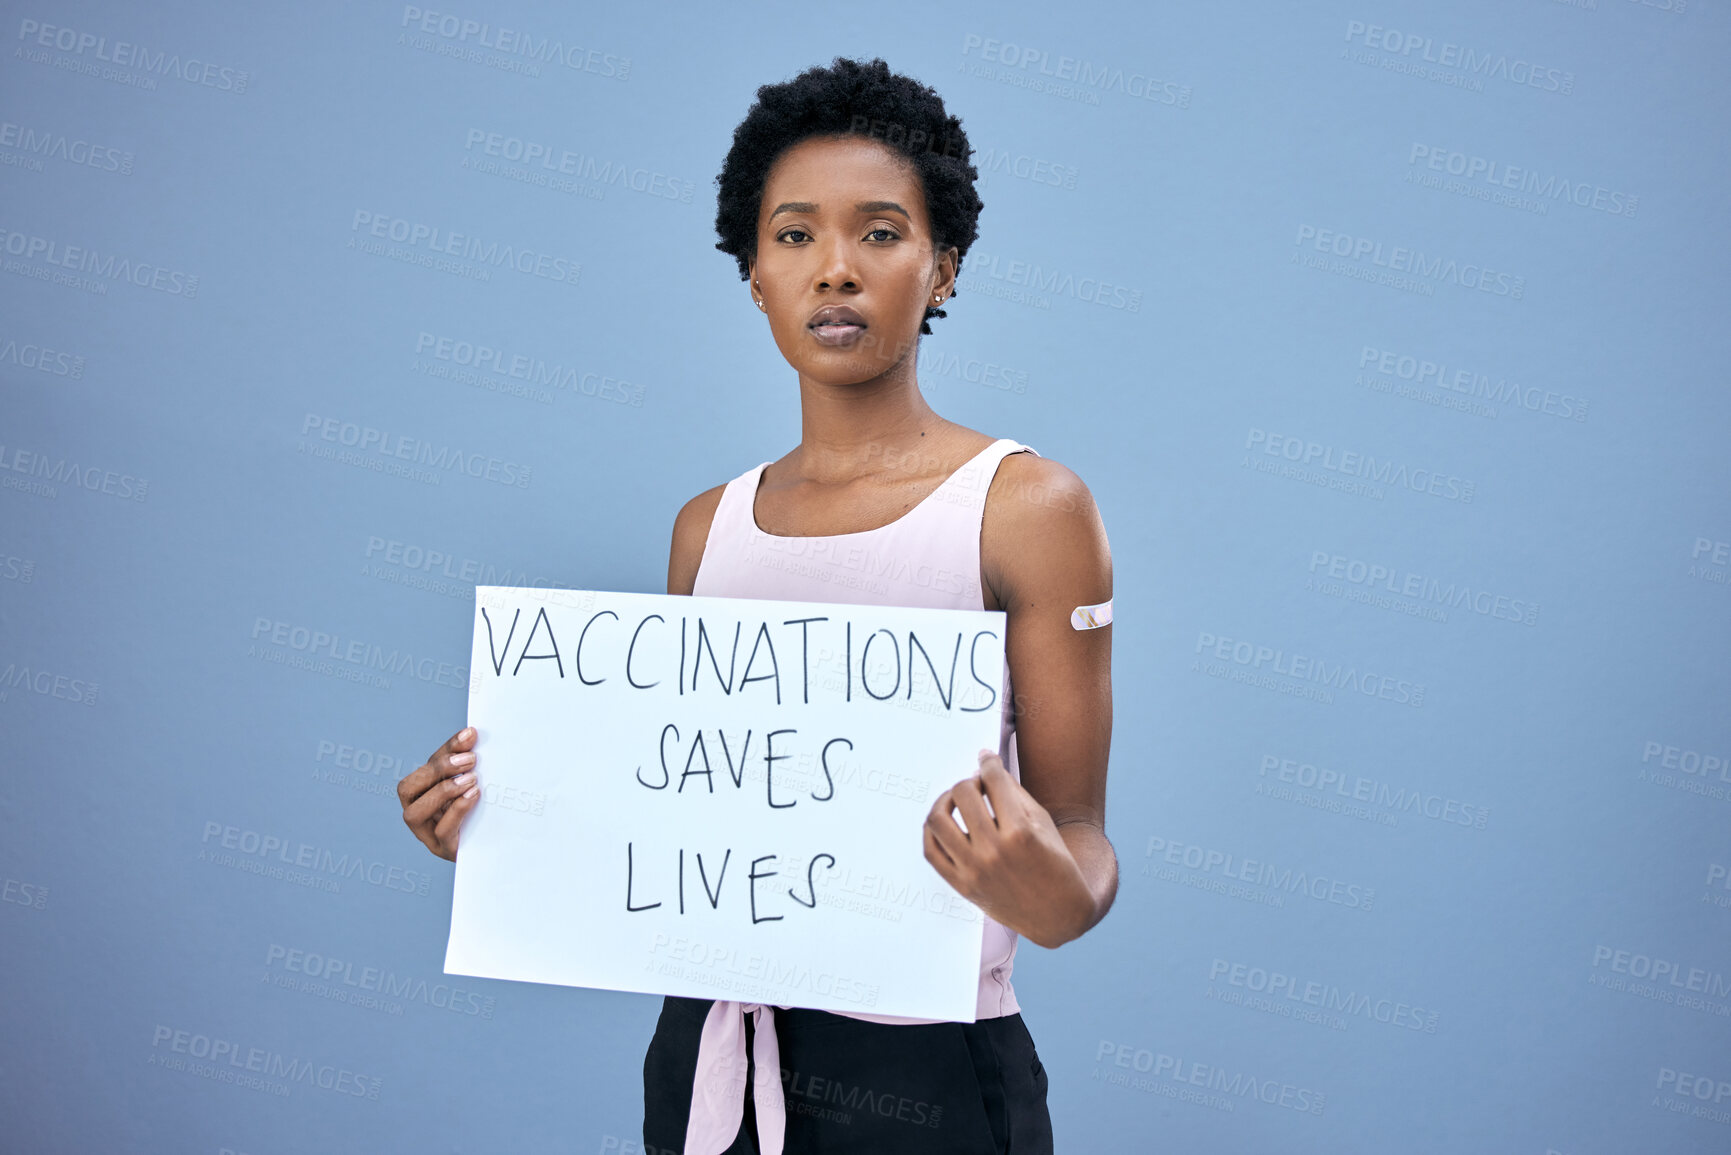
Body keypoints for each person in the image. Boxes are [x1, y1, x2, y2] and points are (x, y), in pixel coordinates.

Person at [397, 56, 1116, 1154]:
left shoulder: (1025, 507)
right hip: (707, 1054)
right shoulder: (708, 527)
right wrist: (503, 829)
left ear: (946, 267)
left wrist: (1053, 897)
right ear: (752, 274)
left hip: (923, 1063)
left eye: (880, 233)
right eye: (794, 236)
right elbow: (694, 798)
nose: (835, 270)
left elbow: (1076, 836)